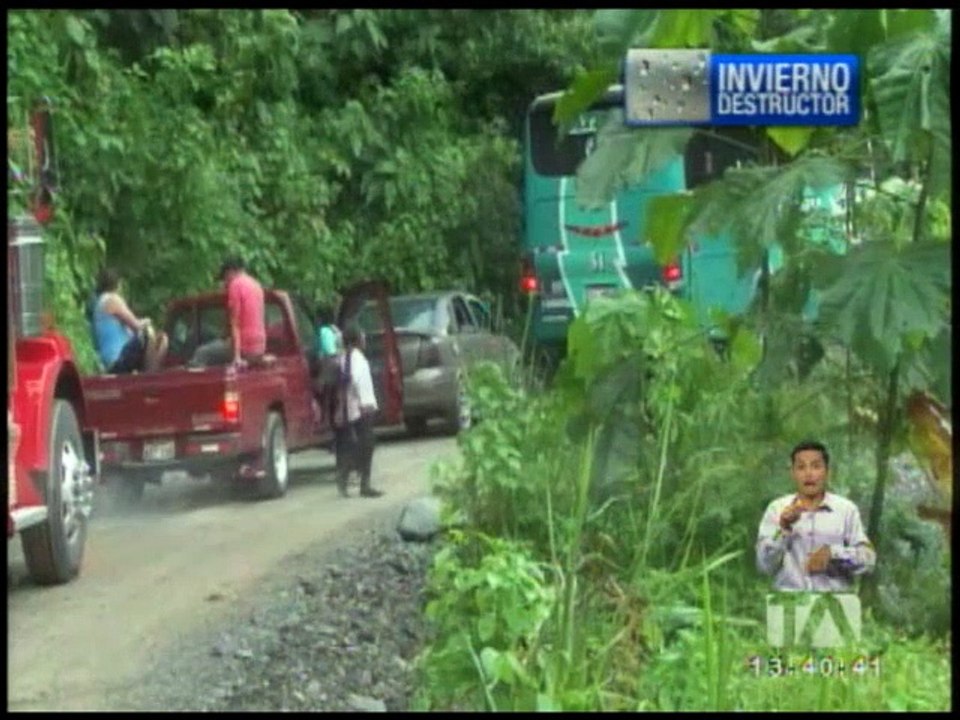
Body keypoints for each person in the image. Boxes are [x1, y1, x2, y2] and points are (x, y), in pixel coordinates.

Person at [756, 440, 876, 592]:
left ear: (827, 472)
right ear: (792, 473)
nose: (808, 474)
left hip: (835, 606)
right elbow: (764, 565)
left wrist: (834, 555)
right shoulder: (777, 509)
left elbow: (868, 559)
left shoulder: (846, 510)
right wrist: (783, 529)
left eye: (816, 466)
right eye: (801, 467)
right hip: (787, 605)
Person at [332, 323, 382, 499]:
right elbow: (355, 380)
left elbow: (343, 383)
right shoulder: (357, 359)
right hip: (361, 407)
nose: (365, 339)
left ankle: (348, 478)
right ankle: (361, 483)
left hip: (352, 407)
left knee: (355, 444)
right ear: (356, 340)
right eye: (362, 336)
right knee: (366, 444)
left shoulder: (345, 357)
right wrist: (363, 403)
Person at [190, 256, 266, 368]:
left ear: (230, 271)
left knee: (201, 353)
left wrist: (237, 357)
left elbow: (235, 324)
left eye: (225, 277)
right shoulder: (256, 285)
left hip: (244, 345)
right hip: (259, 346)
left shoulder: (235, 285)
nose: (225, 282)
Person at [89, 267, 168, 373]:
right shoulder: (113, 299)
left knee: (147, 337)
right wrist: (147, 321)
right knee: (151, 333)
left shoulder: (98, 303)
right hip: (118, 359)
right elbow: (136, 326)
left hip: (107, 361)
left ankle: (146, 372)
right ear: (117, 283)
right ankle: (151, 375)